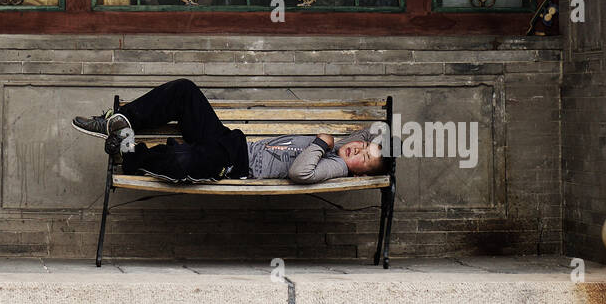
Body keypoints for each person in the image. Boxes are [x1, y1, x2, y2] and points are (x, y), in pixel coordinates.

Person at [72, 78, 386, 183]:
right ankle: (120, 120)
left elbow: (300, 174)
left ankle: (129, 155)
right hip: (231, 143)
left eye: (365, 158)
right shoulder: (345, 147)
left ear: (360, 173)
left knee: (184, 161)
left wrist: (320, 142)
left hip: (235, 165)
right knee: (185, 90)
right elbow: (372, 130)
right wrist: (375, 140)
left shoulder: (335, 166)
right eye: (364, 145)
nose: (358, 150)